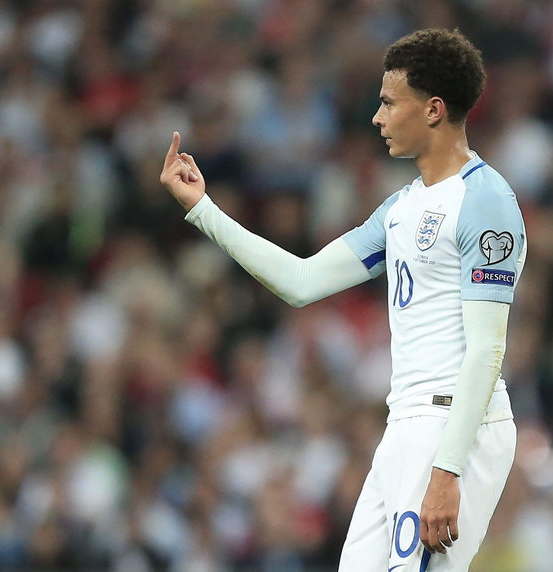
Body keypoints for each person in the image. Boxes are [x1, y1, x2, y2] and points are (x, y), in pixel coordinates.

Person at [160, 28, 526, 571]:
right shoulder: (400, 208)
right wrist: (202, 208)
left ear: (432, 110)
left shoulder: (486, 201)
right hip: (403, 426)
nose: (376, 118)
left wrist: (447, 470)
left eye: (387, 102)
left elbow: (486, 349)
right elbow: (301, 282)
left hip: (454, 430)